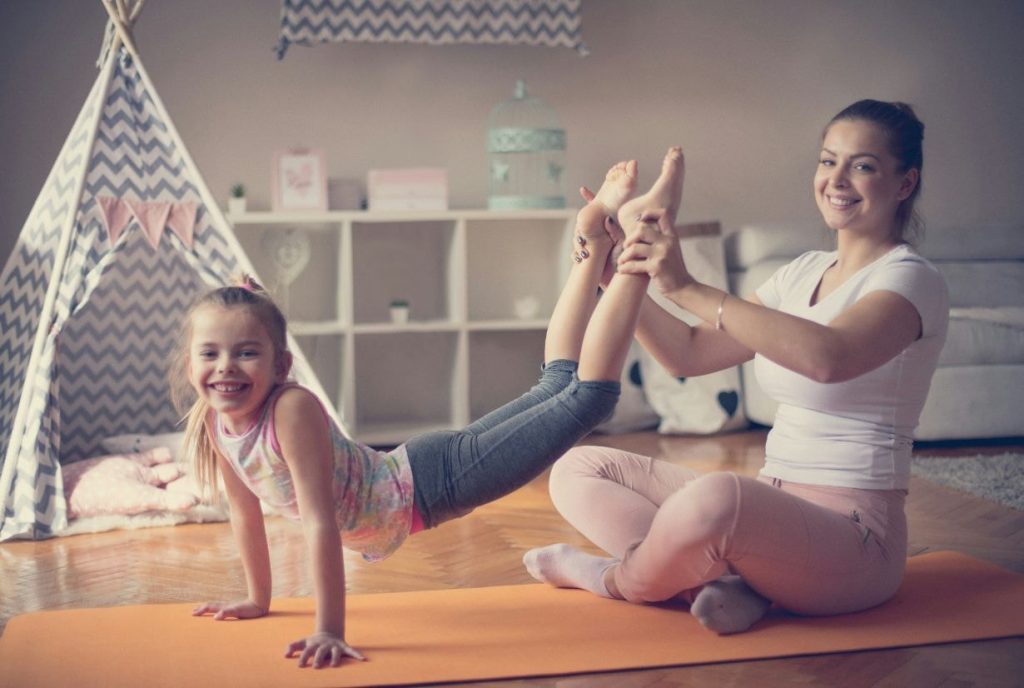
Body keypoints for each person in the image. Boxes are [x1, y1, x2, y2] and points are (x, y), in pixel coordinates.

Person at [168, 149, 686, 669]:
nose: (226, 368)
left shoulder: (290, 411)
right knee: (556, 385)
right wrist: (259, 601)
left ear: (282, 366)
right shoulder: (216, 424)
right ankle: (593, 242)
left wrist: (329, 628)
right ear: (189, 364)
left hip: (430, 483)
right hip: (422, 472)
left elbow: (320, 523)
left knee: (590, 397)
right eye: (209, 354)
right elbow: (244, 512)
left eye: (246, 353)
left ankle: (638, 238)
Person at [524, 99, 949, 636]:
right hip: (771, 506)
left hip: (857, 541)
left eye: (862, 165)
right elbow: (688, 353)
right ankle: (728, 586)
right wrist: (615, 274)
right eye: (827, 161)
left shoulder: (912, 280)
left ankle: (608, 577)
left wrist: (685, 286)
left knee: (720, 497)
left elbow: (828, 358)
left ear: (904, 183)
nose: (837, 180)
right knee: (578, 468)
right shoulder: (802, 273)